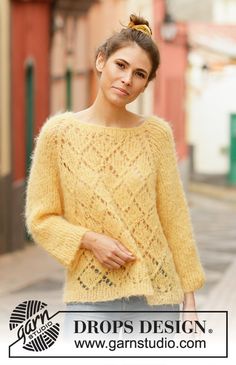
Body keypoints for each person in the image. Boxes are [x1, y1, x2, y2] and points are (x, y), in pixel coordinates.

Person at [25, 14, 205, 342]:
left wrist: (190, 298)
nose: (126, 79)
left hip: (157, 298)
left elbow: (174, 218)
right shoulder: (58, 134)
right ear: (100, 61)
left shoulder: (156, 135)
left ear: (146, 83)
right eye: (120, 66)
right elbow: (41, 218)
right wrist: (90, 240)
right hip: (89, 299)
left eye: (139, 74)